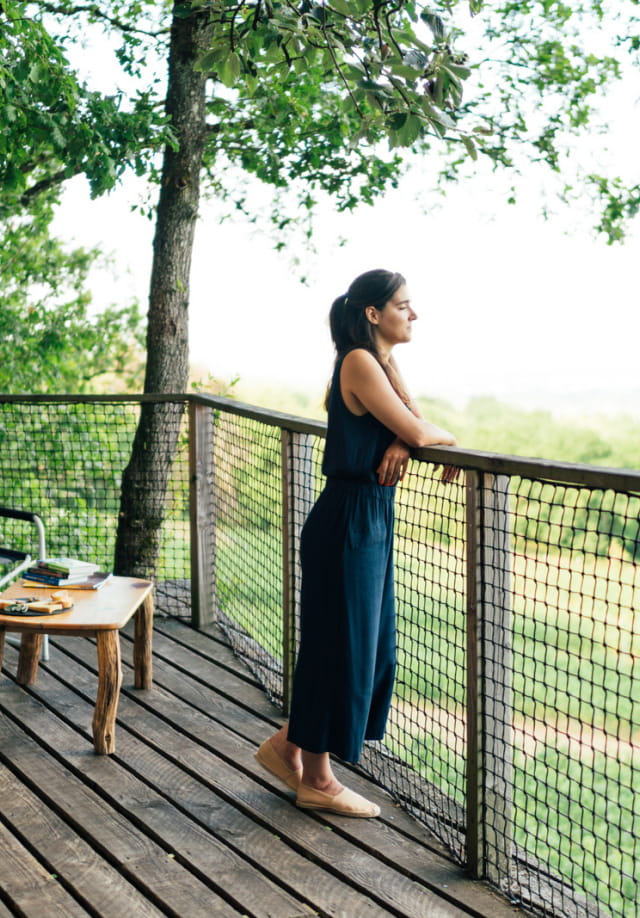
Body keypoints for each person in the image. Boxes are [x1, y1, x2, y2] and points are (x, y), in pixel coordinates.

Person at [255, 269, 458, 818]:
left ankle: (287, 746)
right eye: (404, 305)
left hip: (370, 517)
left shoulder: (382, 363)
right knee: (342, 648)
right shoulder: (359, 361)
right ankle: (318, 779)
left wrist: (404, 438)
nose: (413, 314)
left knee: (371, 647)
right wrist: (428, 438)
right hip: (348, 519)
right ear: (373, 313)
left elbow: (410, 426)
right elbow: (422, 430)